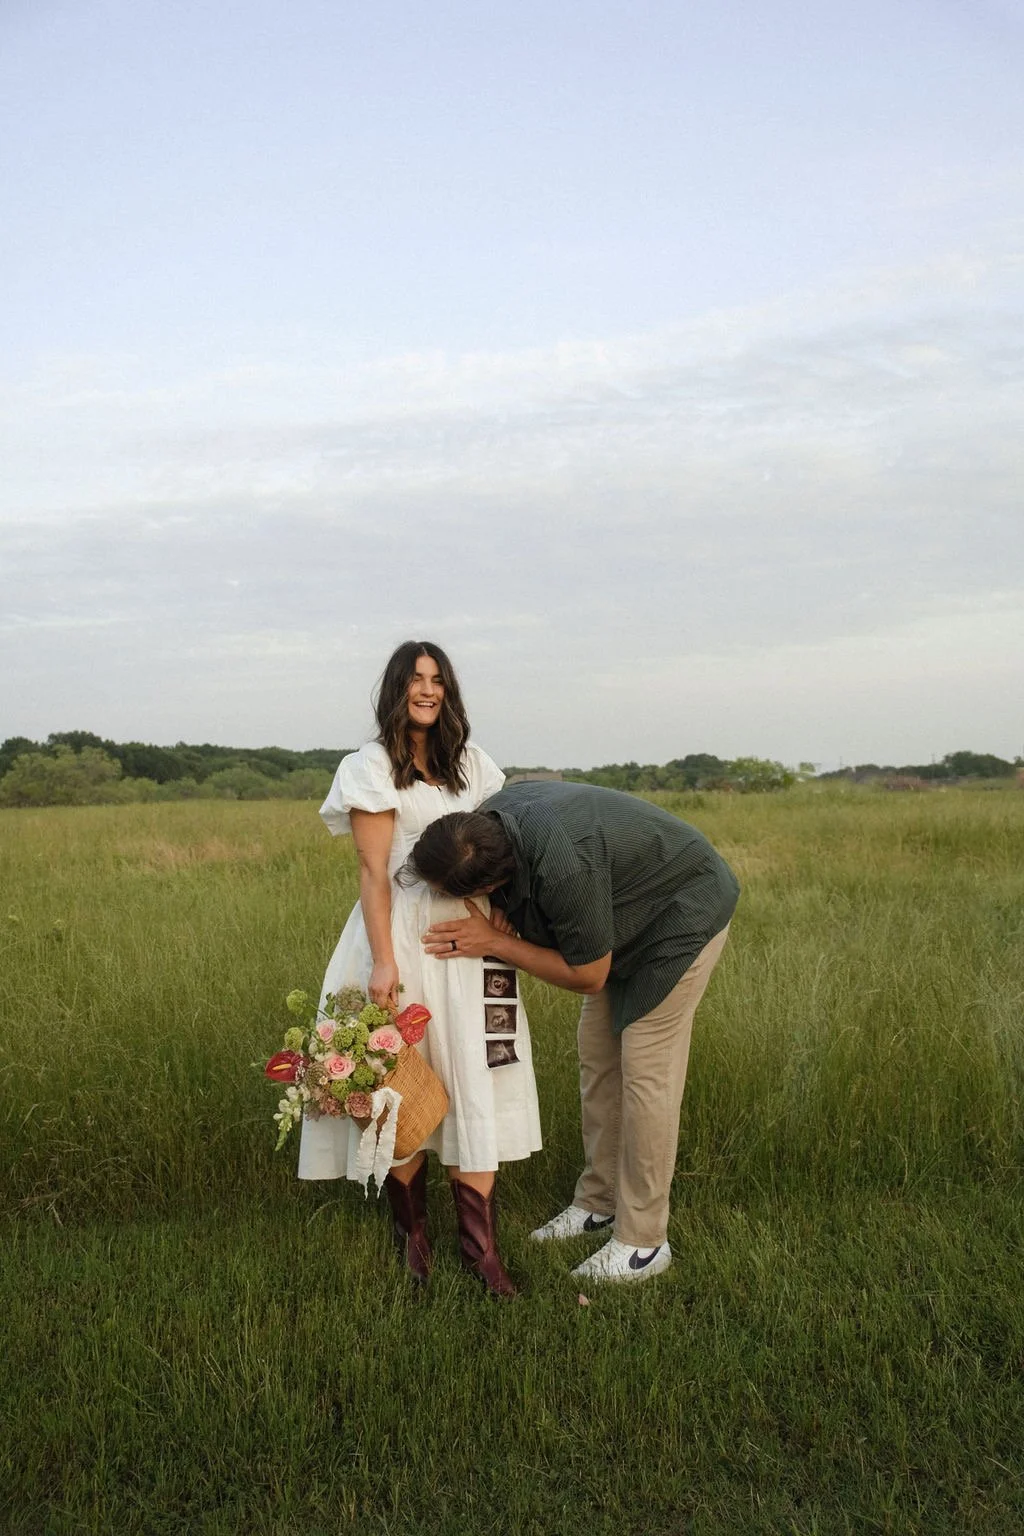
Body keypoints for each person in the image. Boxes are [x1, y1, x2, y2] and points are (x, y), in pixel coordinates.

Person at [413, 780, 740, 1284]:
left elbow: (589, 974)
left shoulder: (567, 867)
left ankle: (644, 1242)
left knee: (646, 1074)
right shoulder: (488, 820)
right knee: (597, 1058)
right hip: (619, 916)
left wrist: (493, 942)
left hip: (681, 914)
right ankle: (598, 1202)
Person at [298, 642, 541, 1297]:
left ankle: (482, 1254)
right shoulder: (371, 766)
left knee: (475, 1077)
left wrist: (503, 921)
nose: (427, 691)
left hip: (470, 935)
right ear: (397, 690)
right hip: (401, 934)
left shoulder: (473, 766)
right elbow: (374, 870)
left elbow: (504, 850)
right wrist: (383, 961)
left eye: (438, 680)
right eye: (416, 680)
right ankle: (414, 1240)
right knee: (400, 1084)